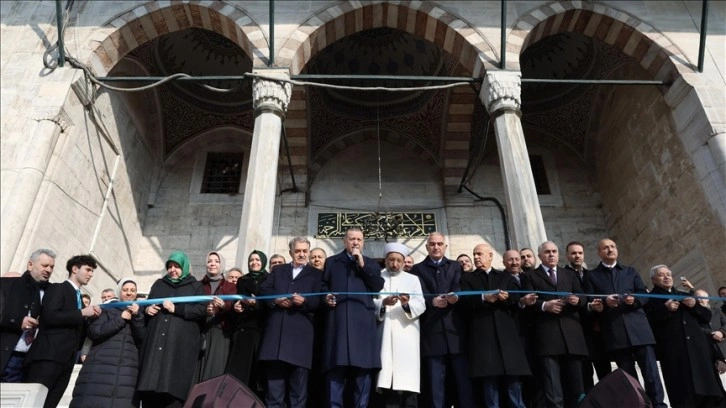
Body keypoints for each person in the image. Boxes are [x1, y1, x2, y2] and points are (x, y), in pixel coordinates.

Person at [584, 239, 666, 408]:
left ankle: (658, 405)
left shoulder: (630, 271)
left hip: (639, 330)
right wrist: (606, 302)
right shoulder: (591, 276)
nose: (610, 250)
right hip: (615, 332)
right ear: (599, 252)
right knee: (628, 378)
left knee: (651, 374)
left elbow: (644, 294)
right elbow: (590, 300)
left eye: (613, 247)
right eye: (605, 248)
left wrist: (633, 300)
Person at [25, 254, 102, 408]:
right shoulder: (58, 288)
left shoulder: (79, 296)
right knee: (33, 403)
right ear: (74, 269)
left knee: (50, 403)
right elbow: (50, 316)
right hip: (47, 357)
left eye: (92, 271)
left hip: (67, 360)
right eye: (88, 269)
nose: (91, 274)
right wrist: (82, 313)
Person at [322, 227, 384, 408]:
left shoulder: (371, 264)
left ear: (363, 242)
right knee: (336, 373)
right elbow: (323, 286)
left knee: (362, 375)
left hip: (362, 327)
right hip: (338, 325)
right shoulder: (332, 262)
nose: (356, 242)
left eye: (359, 239)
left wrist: (362, 265)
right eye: (352, 239)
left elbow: (377, 286)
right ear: (344, 241)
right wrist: (326, 297)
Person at [644, 265, 724, 408]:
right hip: (675, 357)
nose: (667, 277)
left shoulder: (684, 294)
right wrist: (665, 309)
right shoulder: (650, 300)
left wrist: (695, 305)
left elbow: (706, 320)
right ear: (653, 280)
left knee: (712, 397)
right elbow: (646, 323)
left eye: (669, 274)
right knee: (684, 397)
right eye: (662, 275)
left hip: (699, 356)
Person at [461, 243, 529, 408]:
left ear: (490, 256)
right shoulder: (467, 278)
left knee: (513, 381)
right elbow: (464, 302)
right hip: (483, 336)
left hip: (507, 335)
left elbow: (516, 299)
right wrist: (484, 298)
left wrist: (507, 298)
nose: (476, 257)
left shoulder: (504, 277)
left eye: (480, 254)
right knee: (489, 382)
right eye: (474, 254)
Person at [409, 232, 474, 408]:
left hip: (455, 331)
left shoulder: (454, 266)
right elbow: (419, 294)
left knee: (462, 381)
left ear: (445, 246)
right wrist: (432, 301)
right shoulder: (418, 270)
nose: (436, 247)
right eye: (432, 244)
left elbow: (459, 286)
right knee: (435, 383)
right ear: (427, 247)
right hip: (432, 332)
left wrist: (456, 296)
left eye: (439, 244)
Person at [521, 241, 588, 408]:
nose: (551, 255)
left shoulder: (569, 274)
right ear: (540, 256)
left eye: (554, 251)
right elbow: (528, 302)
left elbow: (583, 296)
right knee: (553, 389)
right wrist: (545, 306)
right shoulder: (530, 276)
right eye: (547, 252)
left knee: (577, 386)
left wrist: (577, 300)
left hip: (572, 338)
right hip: (547, 338)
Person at [258, 237, 322, 408]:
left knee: (298, 393)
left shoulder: (317, 275)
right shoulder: (278, 271)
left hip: (300, 340)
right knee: (274, 393)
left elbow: (319, 301)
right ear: (291, 253)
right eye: (298, 251)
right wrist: (275, 300)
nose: (301, 254)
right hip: (276, 339)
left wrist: (305, 303)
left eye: (304, 251)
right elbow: (264, 289)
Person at [137, 251, 206, 407]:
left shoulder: (195, 286)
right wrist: (148, 309)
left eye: (177, 266)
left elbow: (202, 310)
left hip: (178, 348)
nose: (173, 270)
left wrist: (177, 309)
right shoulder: (159, 284)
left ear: (185, 267)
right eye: (170, 266)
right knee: (150, 391)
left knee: (172, 391)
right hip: (155, 345)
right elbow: (148, 303)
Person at [71, 277, 145, 407]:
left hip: (127, 371)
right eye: (125, 290)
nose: (129, 293)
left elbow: (143, 339)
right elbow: (95, 332)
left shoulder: (140, 313)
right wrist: (120, 319)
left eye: (133, 290)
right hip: (100, 367)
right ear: (118, 292)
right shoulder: (106, 309)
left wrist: (137, 318)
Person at [374, 242, 425, 407]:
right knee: (386, 381)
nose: (394, 264)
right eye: (391, 260)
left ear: (404, 262)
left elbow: (421, 304)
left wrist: (405, 304)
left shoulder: (413, 279)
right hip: (384, 334)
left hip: (406, 335)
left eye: (398, 260)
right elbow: (372, 301)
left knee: (406, 382)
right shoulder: (377, 277)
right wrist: (383, 303)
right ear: (386, 260)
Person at [1, 248, 55, 383]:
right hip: (5, 352)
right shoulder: (6, 285)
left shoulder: (51, 293)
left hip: (27, 360)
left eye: (52, 267)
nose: (48, 270)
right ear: (30, 265)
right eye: (44, 265)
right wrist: (18, 321)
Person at [563, 241, 610, 390]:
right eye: (573, 253)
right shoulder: (562, 275)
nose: (577, 256)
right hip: (576, 331)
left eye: (580, 253)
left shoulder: (593, 275)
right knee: (584, 376)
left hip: (596, 331)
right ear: (567, 256)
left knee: (605, 373)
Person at [226, 250, 268, 399]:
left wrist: (256, 304)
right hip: (243, 329)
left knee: (257, 377)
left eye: (257, 259)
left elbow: (270, 303)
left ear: (263, 261)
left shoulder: (269, 279)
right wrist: (237, 306)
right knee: (239, 374)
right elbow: (236, 299)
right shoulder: (242, 280)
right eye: (251, 260)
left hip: (261, 330)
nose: (254, 262)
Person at [196, 251, 237, 382]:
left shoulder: (230, 286)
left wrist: (224, 306)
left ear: (222, 264)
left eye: (216, 261)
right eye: (209, 261)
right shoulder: (198, 285)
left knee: (214, 370)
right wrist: (204, 309)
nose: (212, 264)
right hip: (201, 329)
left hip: (220, 332)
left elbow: (234, 307)